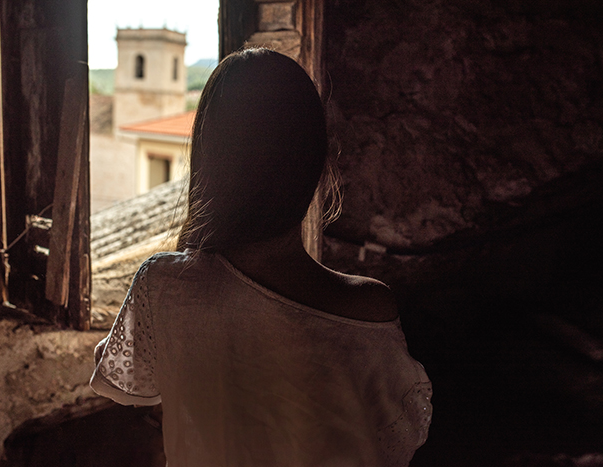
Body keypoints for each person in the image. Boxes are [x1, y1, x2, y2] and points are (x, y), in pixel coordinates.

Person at [90, 48, 432, 466]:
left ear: (208, 165)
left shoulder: (162, 286)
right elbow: (400, 439)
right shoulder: (368, 309)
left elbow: (126, 379)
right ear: (317, 166)